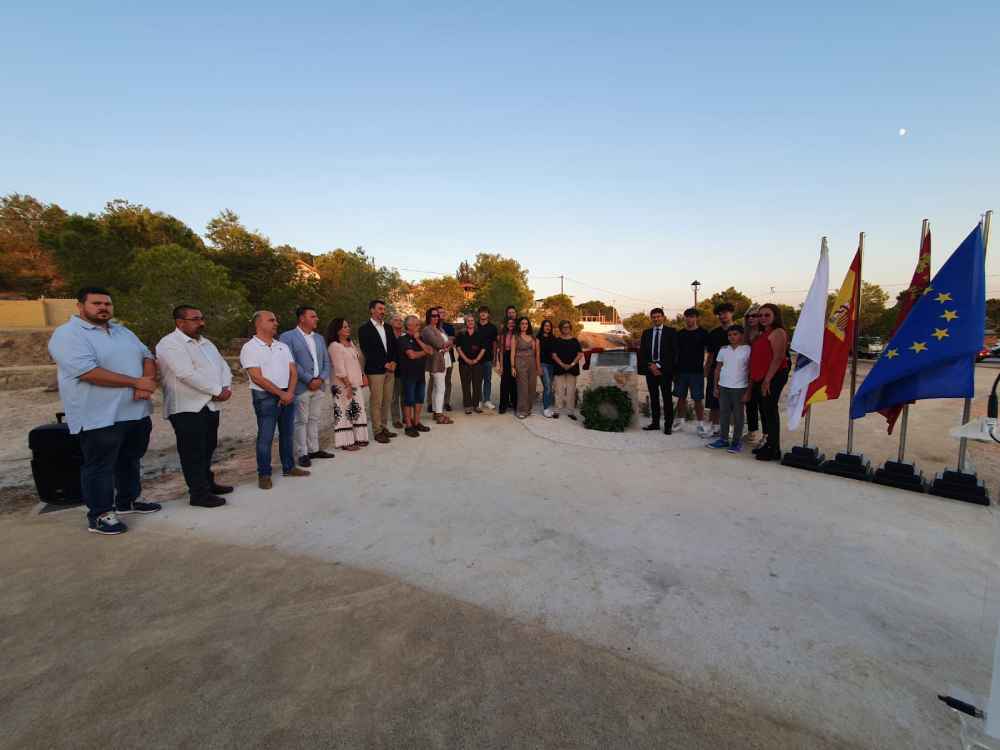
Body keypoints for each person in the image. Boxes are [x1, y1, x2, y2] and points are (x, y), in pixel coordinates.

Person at [48, 287, 161, 535]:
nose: (103, 308)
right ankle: (99, 515)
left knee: (130, 459)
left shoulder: (122, 330)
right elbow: (87, 372)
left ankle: (127, 501)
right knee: (99, 465)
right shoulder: (68, 334)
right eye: (96, 303)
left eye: (107, 304)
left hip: (135, 410)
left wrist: (146, 382)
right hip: (98, 415)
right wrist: (135, 382)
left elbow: (147, 355)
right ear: (80, 306)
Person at [156, 304, 233, 509]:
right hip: (186, 407)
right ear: (180, 322)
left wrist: (226, 386)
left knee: (208, 446)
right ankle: (198, 493)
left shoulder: (205, 343)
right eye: (196, 319)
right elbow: (185, 373)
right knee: (192, 452)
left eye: (201, 318)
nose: (202, 323)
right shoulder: (169, 343)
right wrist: (217, 390)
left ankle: (207, 483)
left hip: (210, 405)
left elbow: (222, 365)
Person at [240, 310, 310, 489]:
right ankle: (264, 474)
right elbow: (257, 377)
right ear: (258, 324)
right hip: (265, 397)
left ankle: (289, 467)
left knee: (287, 434)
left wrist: (290, 392)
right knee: (266, 436)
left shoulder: (282, 346)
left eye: (276, 319)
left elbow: (293, 371)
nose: (276, 323)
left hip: (287, 394)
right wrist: (281, 394)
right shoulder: (250, 347)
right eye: (271, 320)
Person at [279, 306, 335, 468]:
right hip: (301, 386)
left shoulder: (319, 338)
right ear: (302, 318)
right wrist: (309, 379)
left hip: (319, 386)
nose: (316, 319)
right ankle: (302, 453)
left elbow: (326, 361)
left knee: (314, 418)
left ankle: (314, 449)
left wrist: (321, 378)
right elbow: (291, 362)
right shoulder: (287, 337)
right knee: (301, 421)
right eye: (313, 316)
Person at [750, 303, 790, 461]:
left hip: (773, 376)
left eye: (767, 315)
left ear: (775, 316)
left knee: (770, 410)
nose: (763, 318)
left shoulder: (778, 332)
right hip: (762, 376)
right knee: (765, 410)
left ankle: (774, 448)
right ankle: (768, 443)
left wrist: (767, 379)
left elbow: (778, 357)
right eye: (760, 315)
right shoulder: (763, 333)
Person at [357, 300, 398, 444]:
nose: (383, 311)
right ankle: (377, 431)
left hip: (390, 370)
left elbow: (393, 346)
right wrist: (384, 363)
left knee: (387, 400)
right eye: (380, 309)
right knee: (376, 401)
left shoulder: (387, 327)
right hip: (375, 370)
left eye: (384, 309)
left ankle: (384, 426)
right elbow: (367, 351)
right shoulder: (364, 329)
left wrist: (393, 362)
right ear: (371, 310)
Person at [706, 325, 751, 453]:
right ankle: (723, 439)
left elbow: (750, 370)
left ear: (741, 335)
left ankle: (737, 442)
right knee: (724, 414)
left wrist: (748, 390)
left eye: (735, 334)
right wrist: (715, 386)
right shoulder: (723, 350)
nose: (732, 337)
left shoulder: (747, 349)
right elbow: (718, 369)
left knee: (738, 416)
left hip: (739, 387)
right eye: (730, 335)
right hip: (723, 386)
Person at [326, 318, 369, 451]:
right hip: (342, 385)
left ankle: (359, 437)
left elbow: (357, 362)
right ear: (337, 330)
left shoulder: (350, 344)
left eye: (348, 326)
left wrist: (363, 375)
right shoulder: (334, 346)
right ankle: (346, 441)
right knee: (344, 412)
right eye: (344, 327)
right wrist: (348, 385)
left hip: (355, 382)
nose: (348, 329)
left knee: (357, 409)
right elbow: (339, 368)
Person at [637, 307, 677, 434]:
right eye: (653, 317)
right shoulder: (646, 333)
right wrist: (651, 366)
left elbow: (674, 353)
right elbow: (642, 352)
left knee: (666, 398)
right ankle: (655, 423)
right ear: (651, 319)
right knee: (653, 397)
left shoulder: (671, 332)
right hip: (650, 370)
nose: (656, 319)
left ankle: (668, 425)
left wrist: (659, 366)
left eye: (658, 316)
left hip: (665, 371)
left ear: (663, 317)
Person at [673, 308, 709, 434]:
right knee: (681, 398)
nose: (689, 319)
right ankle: (680, 421)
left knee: (698, 399)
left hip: (697, 372)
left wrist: (706, 368)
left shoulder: (703, 333)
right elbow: (675, 353)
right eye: (687, 316)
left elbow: (710, 352)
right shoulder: (680, 334)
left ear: (696, 318)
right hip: (681, 371)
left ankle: (700, 424)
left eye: (692, 316)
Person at [397, 315, 435, 437]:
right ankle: (408, 425)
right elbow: (411, 355)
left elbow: (431, 351)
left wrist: (418, 340)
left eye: (419, 324)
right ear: (409, 326)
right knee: (409, 401)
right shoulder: (403, 339)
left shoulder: (421, 338)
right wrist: (424, 352)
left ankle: (416, 422)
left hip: (420, 374)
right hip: (408, 375)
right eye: (417, 325)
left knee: (419, 399)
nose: (419, 326)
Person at [705, 302, 735, 438]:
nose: (723, 316)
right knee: (714, 401)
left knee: (732, 403)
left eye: (725, 312)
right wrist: (706, 370)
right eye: (720, 313)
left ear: (731, 313)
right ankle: (713, 427)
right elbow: (710, 354)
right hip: (715, 371)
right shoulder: (714, 333)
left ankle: (730, 428)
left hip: (734, 372)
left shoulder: (739, 331)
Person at [421, 308, 454, 425]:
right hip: (436, 361)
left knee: (437, 388)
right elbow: (439, 344)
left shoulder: (439, 328)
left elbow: (448, 343)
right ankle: (439, 414)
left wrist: (447, 344)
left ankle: (436, 411)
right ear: (428, 317)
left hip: (444, 359)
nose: (436, 318)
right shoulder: (427, 330)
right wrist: (447, 343)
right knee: (441, 388)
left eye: (437, 316)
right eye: (433, 316)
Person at [551, 320, 584, 420]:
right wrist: (562, 364)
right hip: (559, 368)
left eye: (568, 327)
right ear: (561, 328)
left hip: (572, 369)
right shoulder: (556, 340)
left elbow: (580, 354)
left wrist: (572, 364)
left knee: (571, 391)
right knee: (558, 390)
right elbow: (554, 355)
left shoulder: (575, 341)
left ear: (570, 328)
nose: (566, 329)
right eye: (564, 327)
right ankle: (557, 410)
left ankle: (570, 411)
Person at [456, 314, 486, 414]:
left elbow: (483, 348)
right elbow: (458, 348)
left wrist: (476, 360)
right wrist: (467, 360)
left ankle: (476, 405)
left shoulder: (480, 334)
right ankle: (467, 405)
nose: (470, 322)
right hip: (464, 363)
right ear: (465, 322)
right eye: (468, 321)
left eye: (472, 320)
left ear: (474, 322)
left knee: (477, 384)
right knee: (466, 385)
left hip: (478, 363)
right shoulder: (461, 334)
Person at [742, 305, 763, 445]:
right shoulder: (744, 334)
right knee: (749, 403)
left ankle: (767, 435)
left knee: (764, 404)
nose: (751, 318)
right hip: (747, 372)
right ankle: (752, 431)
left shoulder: (765, 334)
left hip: (762, 372)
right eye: (748, 316)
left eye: (754, 316)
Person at [512, 316, 539, 419]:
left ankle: (528, 409)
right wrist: (512, 367)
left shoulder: (533, 337)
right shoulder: (516, 337)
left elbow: (536, 353)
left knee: (532, 387)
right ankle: (521, 410)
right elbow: (513, 352)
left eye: (526, 324)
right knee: (522, 387)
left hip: (531, 363)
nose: (524, 325)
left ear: (528, 325)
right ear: (519, 325)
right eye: (522, 323)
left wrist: (537, 366)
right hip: (520, 363)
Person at [476, 306, 498, 409]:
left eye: (485, 312)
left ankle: (487, 400)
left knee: (487, 380)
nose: (483, 314)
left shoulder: (493, 327)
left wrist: (494, 357)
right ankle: (479, 400)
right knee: (477, 380)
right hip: (476, 358)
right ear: (479, 314)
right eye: (481, 312)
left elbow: (494, 343)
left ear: (488, 314)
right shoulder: (475, 326)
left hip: (488, 358)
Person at [497, 317, 518, 414]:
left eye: (512, 323)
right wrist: (501, 366)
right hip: (505, 357)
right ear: (506, 324)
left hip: (516, 358)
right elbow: (501, 352)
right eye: (509, 323)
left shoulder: (517, 335)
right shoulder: (502, 336)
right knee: (504, 383)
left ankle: (515, 404)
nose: (511, 324)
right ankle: (503, 406)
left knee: (514, 382)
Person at [537, 319, 557, 417]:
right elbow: (535, 353)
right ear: (542, 327)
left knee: (549, 387)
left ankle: (548, 406)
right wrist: (538, 366)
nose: (547, 327)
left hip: (552, 365)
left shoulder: (553, 338)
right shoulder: (538, 338)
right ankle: (546, 409)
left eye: (549, 326)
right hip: (542, 364)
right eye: (546, 325)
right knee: (548, 386)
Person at [389, 314, 405, 428]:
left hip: (405, 370)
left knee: (405, 395)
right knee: (394, 396)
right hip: (392, 370)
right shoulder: (388, 336)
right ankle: (396, 419)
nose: (398, 322)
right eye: (396, 320)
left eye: (400, 320)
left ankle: (406, 416)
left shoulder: (405, 336)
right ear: (391, 322)